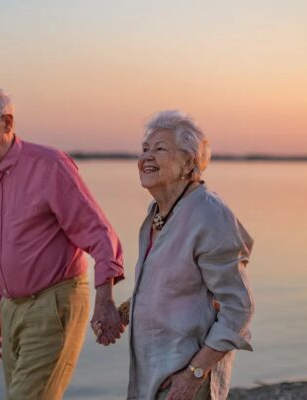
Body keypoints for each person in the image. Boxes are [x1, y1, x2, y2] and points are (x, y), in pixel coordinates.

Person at [0, 87, 125, 400]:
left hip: (53, 303)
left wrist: (105, 298)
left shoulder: (50, 166)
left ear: (7, 123)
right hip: (11, 309)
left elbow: (100, 233)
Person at [95, 110, 254, 400]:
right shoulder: (158, 213)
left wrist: (194, 374)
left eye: (160, 149)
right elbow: (172, 284)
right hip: (152, 371)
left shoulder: (209, 215)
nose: (146, 158)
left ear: (189, 162)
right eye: (145, 150)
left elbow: (238, 308)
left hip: (186, 374)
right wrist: (124, 313)